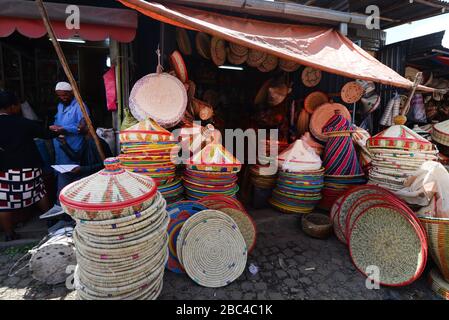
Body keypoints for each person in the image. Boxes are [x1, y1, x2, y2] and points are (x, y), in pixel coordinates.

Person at [0, 91, 59, 241]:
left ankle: (9, 234)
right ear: (12, 106)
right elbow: (46, 134)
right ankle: (51, 221)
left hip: (4, 170)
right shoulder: (23, 123)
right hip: (28, 167)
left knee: (3, 203)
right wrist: (57, 131)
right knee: (39, 192)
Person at [50, 81, 90, 199]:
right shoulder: (60, 106)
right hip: (60, 147)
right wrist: (55, 127)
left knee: (74, 181)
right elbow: (58, 121)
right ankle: (62, 207)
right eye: (60, 96)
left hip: (74, 147)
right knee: (62, 180)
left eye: (65, 95)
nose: (63, 98)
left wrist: (64, 129)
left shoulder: (80, 106)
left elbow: (83, 128)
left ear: (71, 93)